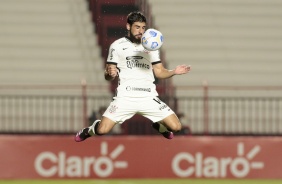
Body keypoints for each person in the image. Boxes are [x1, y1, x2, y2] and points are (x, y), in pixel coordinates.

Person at [75, 11, 191, 142]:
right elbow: (108, 75)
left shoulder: (151, 45)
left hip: (148, 97)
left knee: (176, 127)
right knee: (102, 130)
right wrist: (110, 73)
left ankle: (160, 127)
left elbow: (159, 72)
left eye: (143, 27)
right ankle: (88, 131)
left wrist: (173, 71)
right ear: (128, 27)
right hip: (126, 97)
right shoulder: (117, 46)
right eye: (137, 27)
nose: (140, 31)